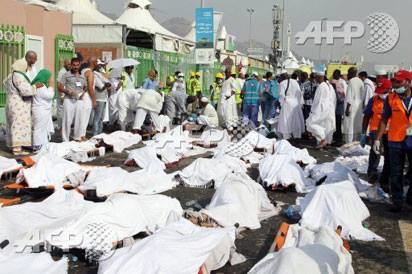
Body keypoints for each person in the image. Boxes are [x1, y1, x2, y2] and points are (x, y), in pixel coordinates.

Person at [374, 70, 412, 212]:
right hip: (395, 141)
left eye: (399, 82)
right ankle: (397, 201)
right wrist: (377, 139)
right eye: (394, 81)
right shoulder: (390, 98)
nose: (395, 85)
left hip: (411, 140)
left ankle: (410, 198)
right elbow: (384, 119)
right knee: (396, 172)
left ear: (408, 82)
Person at [4, 59, 42, 155]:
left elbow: (5, 85)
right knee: (18, 125)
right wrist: (35, 86)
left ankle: (13, 146)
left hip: (11, 102)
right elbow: (25, 91)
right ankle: (17, 149)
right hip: (19, 104)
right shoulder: (19, 76)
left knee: (12, 124)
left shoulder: (10, 75)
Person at [361, 79, 391, 188]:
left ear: (389, 89)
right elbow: (366, 116)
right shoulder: (373, 100)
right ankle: (372, 174)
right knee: (375, 152)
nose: (380, 94)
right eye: (379, 91)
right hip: (375, 131)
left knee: (389, 155)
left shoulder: (394, 100)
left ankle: (385, 178)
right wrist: (363, 134)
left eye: (383, 91)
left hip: (391, 132)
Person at [58, 58, 87, 142]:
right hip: (69, 99)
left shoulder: (83, 75)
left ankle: (77, 138)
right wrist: (67, 91)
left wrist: (83, 92)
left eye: (77, 65)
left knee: (79, 120)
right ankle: (65, 139)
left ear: (80, 65)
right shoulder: (66, 74)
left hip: (79, 100)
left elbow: (85, 87)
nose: (75, 67)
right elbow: (60, 87)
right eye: (74, 65)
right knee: (67, 120)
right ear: (71, 65)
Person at [306, 71, 337, 148]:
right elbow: (333, 99)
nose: (315, 79)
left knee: (310, 123)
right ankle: (325, 142)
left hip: (321, 109)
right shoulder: (328, 85)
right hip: (328, 109)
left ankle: (323, 139)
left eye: (316, 77)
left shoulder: (321, 87)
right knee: (326, 125)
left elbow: (318, 101)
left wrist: (313, 111)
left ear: (320, 77)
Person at [277, 70, 305, 139]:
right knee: (296, 121)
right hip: (296, 104)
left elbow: (281, 96)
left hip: (287, 104)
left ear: (282, 76)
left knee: (286, 121)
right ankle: (297, 137)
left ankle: (287, 138)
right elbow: (299, 94)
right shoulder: (295, 82)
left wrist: (281, 105)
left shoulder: (282, 83)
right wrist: (299, 104)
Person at [31, 69, 55, 150]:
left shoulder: (39, 85)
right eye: (50, 77)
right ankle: (37, 145)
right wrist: (51, 86)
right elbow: (49, 96)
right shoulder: (41, 86)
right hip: (40, 110)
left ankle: (42, 145)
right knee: (39, 128)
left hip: (40, 110)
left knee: (42, 129)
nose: (51, 79)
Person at [75, 58, 97, 141]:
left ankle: (81, 135)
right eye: (97, 62)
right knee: (84, 117)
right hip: (87, 97)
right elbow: (90, 88)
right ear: (93, 63)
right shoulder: (90, 73)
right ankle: (80, 136)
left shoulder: (83, 71)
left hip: (82, 96)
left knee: (82, 117)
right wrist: (94, 100)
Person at [343, 67, 365, 143]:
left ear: (352, 73)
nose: (348, 74)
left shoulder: (351, 81)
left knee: (349, 126)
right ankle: (355, 143)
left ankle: (349, 143)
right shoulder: (361, 81)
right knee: (356, 126)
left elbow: (349, 96)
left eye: (349, 72)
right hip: (358, 107)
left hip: (351, 107)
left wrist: (347, 109)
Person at [92, 60, 112, 136]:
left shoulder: (100, 74)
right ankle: (95, 134)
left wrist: (107, 83)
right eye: (100, 65)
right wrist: (106, 85)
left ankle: (100, 133)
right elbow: (101, 86)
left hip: (104, 98)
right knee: (97, 117)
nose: (101, 67)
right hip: (98, 98)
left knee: (101, 118)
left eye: (102, 65)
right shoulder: (94, 74)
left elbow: (108, 83)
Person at [331, 69, 347, 145]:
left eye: (336, 75)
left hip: (340, 104)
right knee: (333, 122)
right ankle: (334, 136)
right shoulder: (332, 81)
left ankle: (338, 138)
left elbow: (344, 93)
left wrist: (337, 90)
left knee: (338, 122)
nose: (334, 76)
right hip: (333, 104)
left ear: (339, 75)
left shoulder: (342, 82)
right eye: (334, 75)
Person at [56, 59, 71, 130]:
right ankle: (60, 127)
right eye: (68, 64)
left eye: (70, 64)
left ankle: (64, 127)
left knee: (66, 112)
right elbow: (58, 84)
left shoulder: (68, 72)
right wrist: (61, 95)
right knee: (61, 112)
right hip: (62, 95)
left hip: (67, 95)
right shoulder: (62, 72)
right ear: (64, 64)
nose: (70, 65)